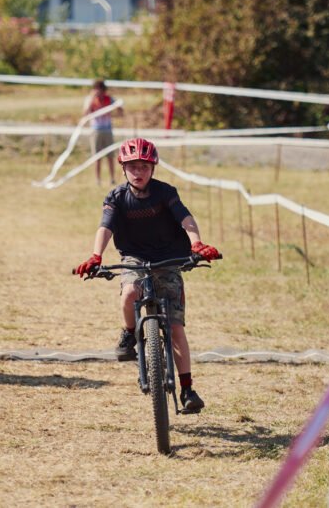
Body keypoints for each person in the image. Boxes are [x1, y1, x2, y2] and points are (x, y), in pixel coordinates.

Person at [72, 137, 220, 414]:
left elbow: (185, 218)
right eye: (132, 167)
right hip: (135, 258)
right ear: (123, 168)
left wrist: (197, 243)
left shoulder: (165, 192)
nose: (138, 172)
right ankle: (129, 333)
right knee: (130, 292)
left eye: (144, 167)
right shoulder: (116, 197)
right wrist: (95, 256)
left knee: (175, 328)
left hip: (169, 258)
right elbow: (105, 227)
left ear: (153, 168)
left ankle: (187, 389)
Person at [82, 80, 123, 185]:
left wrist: (118, 106)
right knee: (97, 157)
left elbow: (120, 111)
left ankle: (112, 178)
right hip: (95, 130)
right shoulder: (90, 99)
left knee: (110, 156)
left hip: (107, 130)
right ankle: (98, 180)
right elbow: (85, 114)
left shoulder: (109, 99)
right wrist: (91, 99)